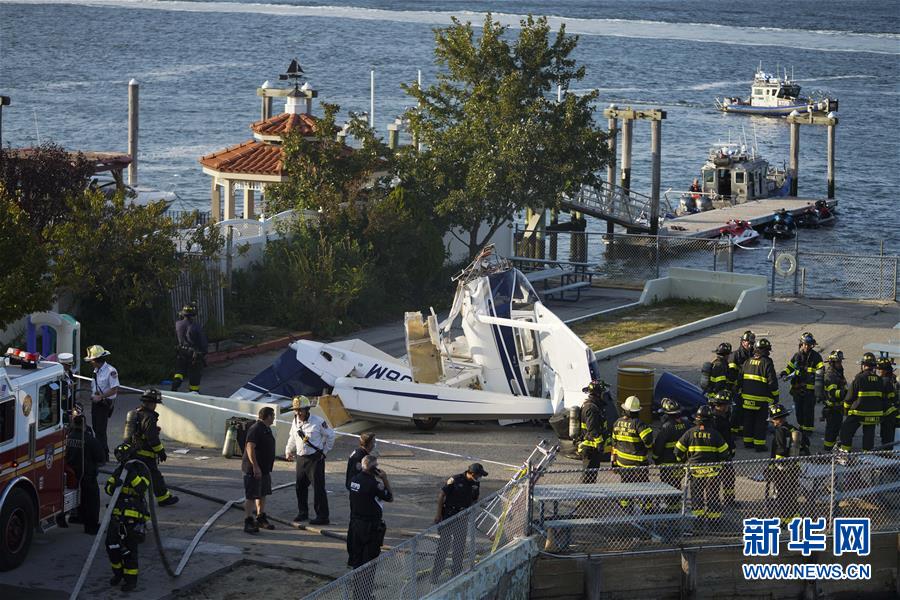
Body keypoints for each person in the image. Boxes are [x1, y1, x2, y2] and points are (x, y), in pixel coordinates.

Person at [105, 442, 150, 592]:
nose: (122, 462)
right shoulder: (119, 470)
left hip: (132, 517)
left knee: (130, 551)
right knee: (112, 546)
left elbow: (142, 488)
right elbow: (108, 488)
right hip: (117, 516)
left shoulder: (142, 469)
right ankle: (118, 574)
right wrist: (114, 485)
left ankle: (131, 580)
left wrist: (131, 474)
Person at [432, 463, 487, 582]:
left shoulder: (475, 483)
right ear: (471, 473)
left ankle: (456, 573)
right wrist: (438, 514)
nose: (479, 478)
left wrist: (471, 509)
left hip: (462, 518)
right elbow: (442, 495)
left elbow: (474, 499)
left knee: (459, 547)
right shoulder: (455, 480)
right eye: (478, 475)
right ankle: (435, 575)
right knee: (443, 546)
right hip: (449, 516)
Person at [674, 406, 730, 525]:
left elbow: (677, 450)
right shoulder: (715, 434)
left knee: (696, 496)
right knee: (713, 496)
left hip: (695, 471)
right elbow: (725, 453)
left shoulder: (690, 433)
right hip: (713, 472)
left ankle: (697, 521)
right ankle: (714, 521)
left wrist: (683, 462)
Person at [123, 389, 179, 506]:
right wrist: (161, 451)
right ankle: (163, 499)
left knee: (134, 476)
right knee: (155, 477)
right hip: (145, 455)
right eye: (156, 404)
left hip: (133, 452)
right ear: (152, 403)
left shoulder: (136, 413)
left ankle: (127, 497)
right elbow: (152, 439)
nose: (156, 407)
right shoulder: (149, 417)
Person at [286, 395, 335, 526]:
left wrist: (324, 452)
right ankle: (303, 512)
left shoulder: (318, 421)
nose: (297, 413)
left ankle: (322, 516)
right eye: (295, 410)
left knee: (318, 488)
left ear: (307, 409)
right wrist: (288, 450)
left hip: (315, 459)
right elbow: (292, 436)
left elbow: (330, 435)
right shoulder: (295, 420)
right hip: (301, 458)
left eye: (300, 410)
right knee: (300, 487)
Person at [63, 403, 105, 534]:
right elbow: (101, 458)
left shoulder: (66, 438)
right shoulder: (90, 440)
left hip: (70, 475)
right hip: (86, 475)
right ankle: (91, 526)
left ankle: (76, 517)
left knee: (77, 497)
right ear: (84, 425)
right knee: (92, 501)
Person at [348, 455, 393, 570]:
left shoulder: (354, 480)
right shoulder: (374, 485)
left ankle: (356, 586)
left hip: (355, 525)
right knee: (370, 561)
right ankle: (366, 586)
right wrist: (385, 479)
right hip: (370, 527)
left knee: (356, 559)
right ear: (374, 469)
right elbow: (390, 497)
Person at [767, 403, 808, 524]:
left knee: (783, 495)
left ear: (777, 419)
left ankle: (785, 521)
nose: (773, 423)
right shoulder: (792, 428)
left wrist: (774, 467)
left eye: (773, 420)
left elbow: (780, 449)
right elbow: (806, 442)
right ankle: (794, 517)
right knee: (791, 494)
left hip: (783, 469)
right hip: (794, 467)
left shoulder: (780, 431)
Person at [611, 396, 654, 509]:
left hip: (622, 463)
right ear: (637, 411)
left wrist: (613, 462)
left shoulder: (617, 423)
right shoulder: (638, 424)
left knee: (626, 484)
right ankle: (646, 508)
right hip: (638, 465)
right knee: (643, 486)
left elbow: (614, 444)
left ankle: (626, 507)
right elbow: (649, 441)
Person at [738, 338, 779, 451]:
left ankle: (747, 442)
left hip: (746, 399)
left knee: (748, 421)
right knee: (760, 422)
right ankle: (759, 445)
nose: (769, 353)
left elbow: (740, 380)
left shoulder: (747, 362)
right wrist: (775, 397)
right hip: (761, 400)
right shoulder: (767, 363)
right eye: (768, 350)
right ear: (765, 351)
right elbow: (772, 383)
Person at [839, 353, 885, 451]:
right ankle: (867, 456)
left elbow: (849, 397)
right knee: (869, 436)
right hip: (874, 414)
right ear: (873, 366)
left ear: (863, 365)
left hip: (859, 413)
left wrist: (846, 411)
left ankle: (845, 453)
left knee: (846, 431)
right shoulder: (879, 380)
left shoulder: (859, 378)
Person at [781, 332, 824, 437]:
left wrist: (806, 370)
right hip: (797, 389)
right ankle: (801, 426)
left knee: (808, 411)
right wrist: (785, 372)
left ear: (812, 345)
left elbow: (821, 371)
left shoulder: (816, 357)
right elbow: (790, 367)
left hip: (809, 390)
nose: (806, 346)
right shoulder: (797, 356)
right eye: (804, 344)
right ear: (801, 344)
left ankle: (808, 429)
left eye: (808, 344)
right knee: (799, 410)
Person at [243, 406, 277, 534]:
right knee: (251, 495)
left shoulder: (266, 429)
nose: (274, 418)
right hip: (254, 469)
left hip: (264, 469)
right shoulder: (256, 429)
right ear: (268, 416)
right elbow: (250, 447)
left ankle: (260, 517)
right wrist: (255, 467)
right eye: (273, 416)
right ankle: (248, 520)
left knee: (262, 493)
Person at [85, 344, 119, 463]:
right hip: (96, 402)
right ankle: (101, 455)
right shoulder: (96, 370)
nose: (90, 362)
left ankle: (103, 456)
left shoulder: (111, 371)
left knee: (100, 431)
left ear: (95, 360)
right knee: (96, 429)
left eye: (91, 360)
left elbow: (114, 389)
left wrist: (101, 397)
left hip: (104, 403)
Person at [653, 398, 688, 508]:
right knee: (677, 484)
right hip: (681, 462)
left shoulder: (666, 427)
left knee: (668, 485)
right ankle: (676, 507)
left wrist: (655, 458)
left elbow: (659, 445)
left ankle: (670, 509)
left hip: (667, 463)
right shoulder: (686, 424)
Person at [577, 380, 609, 484]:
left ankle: (587, 498)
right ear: (598, 394)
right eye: (603, 393)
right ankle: (584, 499)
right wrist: (599, 442)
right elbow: (592, 428)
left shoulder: (593, 405)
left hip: (592, 447)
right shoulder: (591, 408)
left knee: (591, 475)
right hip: (590, 448)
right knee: (589, 476)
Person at [708, 391, 737, 506]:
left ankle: (729, 500)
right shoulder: (715, 420)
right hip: (718, 455)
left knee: (729, 478)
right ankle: (714, 501)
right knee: (715, 480)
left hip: (726, 454)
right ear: (723, 405)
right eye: (728, 405)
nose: (729, 407)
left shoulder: (723, 417)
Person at [172, 303, 208, 393]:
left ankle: (174, 387)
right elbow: (203, 343)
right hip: (194, 356)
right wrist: (203, 353)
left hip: (181, 353)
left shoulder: (178, 324)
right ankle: (194, 394)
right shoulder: (196, 326)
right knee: (194, 378)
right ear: (194, 314)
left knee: (179, 372)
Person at [730, 330, 756, 435]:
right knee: (736, 409)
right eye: (748, 343)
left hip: (749, 387)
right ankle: (733, 431)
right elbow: (732, 374)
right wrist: (735, 386)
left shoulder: (753, 355)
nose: (750, 345)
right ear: (743, 342)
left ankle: (742, 429)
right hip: (737, 388)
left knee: (746, 410)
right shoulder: (736, 355)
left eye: (752, 343)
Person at [822, 350, 847, 452]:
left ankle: (832, 447)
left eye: (840, 361)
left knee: (836, 428)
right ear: (832, 363)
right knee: (832, 429)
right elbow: (832, 392)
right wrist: (845, 393)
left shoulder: (838, 373)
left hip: (838, 407)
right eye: (838, 362)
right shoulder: (831, 375)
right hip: (832, 408)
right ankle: (828, 449)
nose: (840, 364)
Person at [878, 358, 898, 447]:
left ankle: (886, 454)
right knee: (890, 435)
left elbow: (891, 397)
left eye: (880, 369)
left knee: (887, 435)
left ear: (885, 370)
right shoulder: (893, 378)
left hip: (888, 414)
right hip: (894, 413)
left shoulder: (884, 381)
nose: (878, 371)